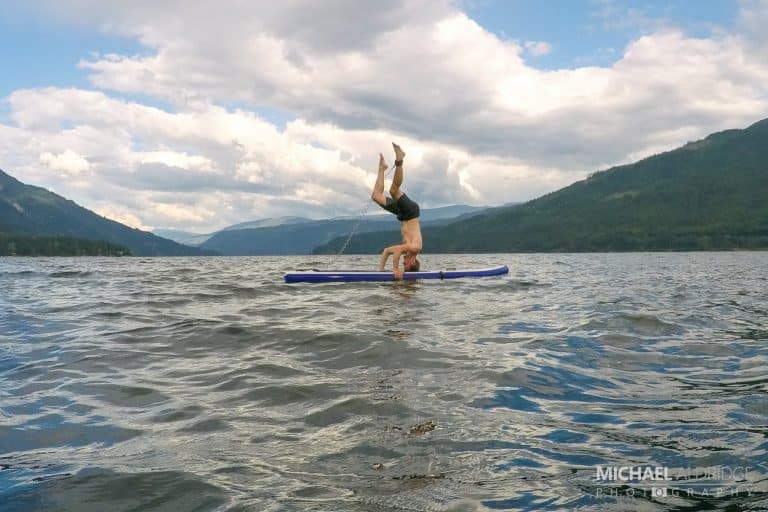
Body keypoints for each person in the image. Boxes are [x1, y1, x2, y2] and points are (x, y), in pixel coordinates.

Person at [370, 142, 422, 280]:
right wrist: (395, 268)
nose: (404, 263)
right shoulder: (415, 248)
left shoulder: (407, 248)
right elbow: (398, 251)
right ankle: (400, 159)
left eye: (403, 265)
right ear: (412, 262)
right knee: (394, 190)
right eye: (406, 265)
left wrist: (380, 272)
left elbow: (387, 251)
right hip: (411, 213)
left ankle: (382, 168)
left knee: (376, 196)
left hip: (402, 215)